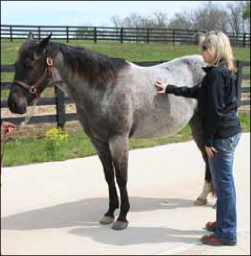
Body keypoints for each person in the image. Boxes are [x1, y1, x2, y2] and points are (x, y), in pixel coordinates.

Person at [155, 31, 241, 246]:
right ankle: (223, 223)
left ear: (215, 50)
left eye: (204, 48)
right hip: (229, 132)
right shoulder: (223, 71)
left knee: (224, 186)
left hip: (221, 136)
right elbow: (198, 92)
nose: (201, 51)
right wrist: (169, 88)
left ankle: (226, 233)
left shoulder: (216, 74)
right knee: (223, 185)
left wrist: (208, 141)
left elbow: (215, 111)